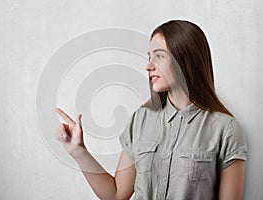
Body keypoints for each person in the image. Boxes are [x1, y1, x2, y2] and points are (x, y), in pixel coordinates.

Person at [55, 20, 248, 200]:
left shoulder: (226, 129)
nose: (148, 66)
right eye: (149, 57)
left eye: (159, 56)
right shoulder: (140, 120)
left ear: (185, 59)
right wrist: (77, 150)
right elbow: (116, 194)